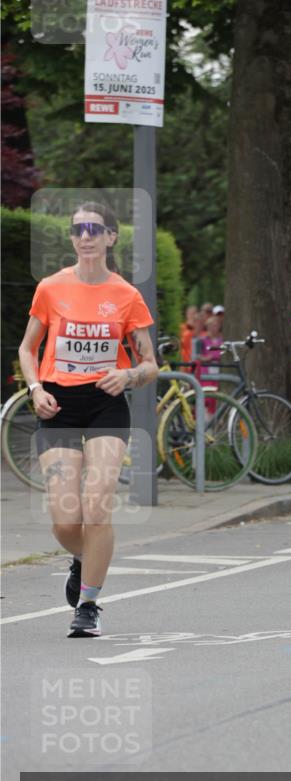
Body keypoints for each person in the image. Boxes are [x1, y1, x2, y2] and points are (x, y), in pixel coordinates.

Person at [18, 202, 157, 637]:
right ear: (73, 238)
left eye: (95, 228)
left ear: (111, 237)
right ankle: (82, 558)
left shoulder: (125, 295)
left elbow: (151, 362)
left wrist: (128, 373)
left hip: (105, 403)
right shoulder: (51, 288)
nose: (86, 236)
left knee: (96, 508)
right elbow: (27, 349)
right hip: (58, 404)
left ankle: (89, 604)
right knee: (64, 519)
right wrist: (36, 388)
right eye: (79, 229)